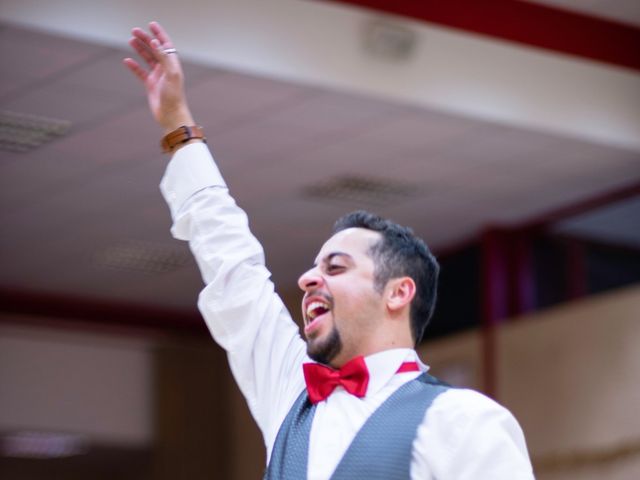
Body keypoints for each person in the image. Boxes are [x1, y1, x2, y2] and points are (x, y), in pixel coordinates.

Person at [124, 22, 535, 479]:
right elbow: (231, 263)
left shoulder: (462, 420)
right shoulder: (286, 391)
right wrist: (179, 129)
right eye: (313, 268)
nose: (306, 279)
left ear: (398, 293)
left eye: (336, 267)